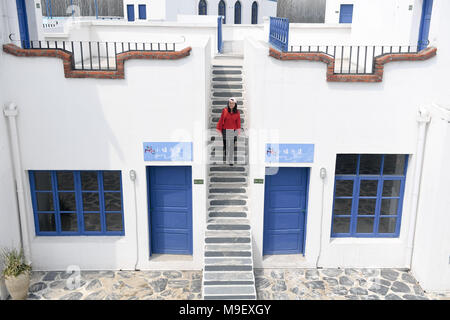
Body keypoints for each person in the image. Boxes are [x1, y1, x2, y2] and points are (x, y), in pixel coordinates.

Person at [216, 97, 241, 165]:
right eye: (230, 103)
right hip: (225, 130)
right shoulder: (225, 110)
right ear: (228, 103)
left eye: (233, 103)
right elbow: (221, 120)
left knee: (231, 146)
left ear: (235, 104)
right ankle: (226, 152)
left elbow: (238, 122)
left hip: (233, 130)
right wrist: (219, 129)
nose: (231, 104)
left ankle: (230, 160)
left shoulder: (237, 112)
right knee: (226, 145)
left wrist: (238, 130)